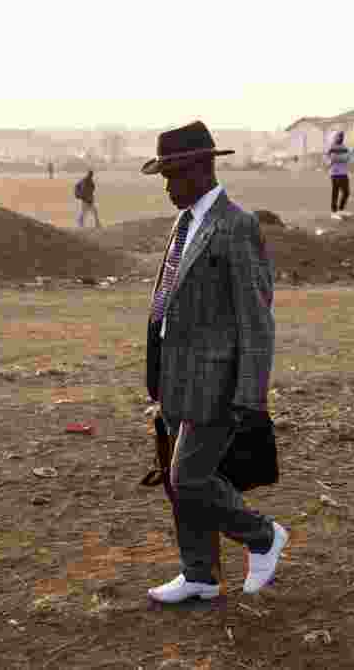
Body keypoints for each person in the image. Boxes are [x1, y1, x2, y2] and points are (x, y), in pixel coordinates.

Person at [143, 120, 286, 605]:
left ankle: (263, 536)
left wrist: (251, 392)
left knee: (190, 477)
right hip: (178, 375)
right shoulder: (186, 223)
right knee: (178, 478)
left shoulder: (235, 225)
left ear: (202, 168)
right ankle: (199, 572)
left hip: (219, 381)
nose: (167, 185)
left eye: (174, 174)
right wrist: (158, 375)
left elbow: (256, 317)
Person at [327, 131, 352, 213]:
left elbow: (348, 157)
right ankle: (334, 211)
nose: (341, 138)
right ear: (335, 137)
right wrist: (342, 158)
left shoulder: (344, 147)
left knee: (347, 192)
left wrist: (339, 157)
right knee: (335, 192)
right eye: (339, 136)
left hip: (344, 172)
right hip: (335, 173)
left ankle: (341, 209)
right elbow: (333, 158)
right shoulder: (332, 147)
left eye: (342, 136)